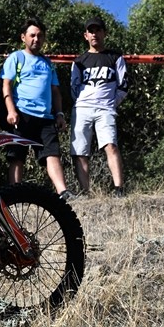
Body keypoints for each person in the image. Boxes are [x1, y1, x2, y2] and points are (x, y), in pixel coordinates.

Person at [1, 19, 72, 199]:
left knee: (52, 153)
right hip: (21, 114)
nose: (36, 39)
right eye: (32, 35)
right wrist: (11, 110)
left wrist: (60, 114)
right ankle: (14, 194)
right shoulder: (16, 57)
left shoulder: (48, 63)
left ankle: (62, 192)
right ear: (23, 37)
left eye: (40, 36)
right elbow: (6, 85)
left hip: (46, 117)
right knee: (17, 156)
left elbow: (55, 91)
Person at [68, 16, 128, 195]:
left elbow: (123, 85)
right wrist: (81, 102)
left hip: (106, 109)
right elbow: (73, 86)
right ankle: (85, 192)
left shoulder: (115, 57)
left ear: (104, 33)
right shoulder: (79, 61)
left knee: (111, 145)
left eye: (98, 30)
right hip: (82, 109)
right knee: (80, 150)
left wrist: (111, 102)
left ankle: (119, 189)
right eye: (91, 31)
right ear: (85, 35)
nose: (94, 34)